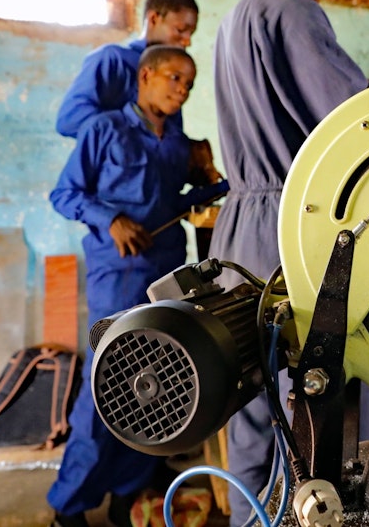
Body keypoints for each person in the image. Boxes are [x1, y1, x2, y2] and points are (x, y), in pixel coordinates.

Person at [208, 0, 369, 526]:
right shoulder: (295, 12)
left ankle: (250, 517)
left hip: (239, 232)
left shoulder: (233, 20)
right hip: (291, 231)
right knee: (306, 408)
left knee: (250, 400)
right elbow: (356, 123)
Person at [47, 45, 229, 527]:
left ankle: (129, 494)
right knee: (103, 384)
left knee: (153, 384)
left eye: (188, 84)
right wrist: (111, 219)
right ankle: (70, 507)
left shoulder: (176, 142)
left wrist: (210, 175)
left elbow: (187, 202)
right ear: (145, 75)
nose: (181, 90)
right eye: (173, 78)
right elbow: (64, 194)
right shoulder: (104, 129)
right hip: (116, 276)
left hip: (166, 274)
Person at [55, 0, 199, 139]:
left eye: (191, 34)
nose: (187, 41)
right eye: (180, 30)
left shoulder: (174, 77)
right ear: (153, 19)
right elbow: (70, 120)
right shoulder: (112, 59)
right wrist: (131, 135)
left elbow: (169, 136)